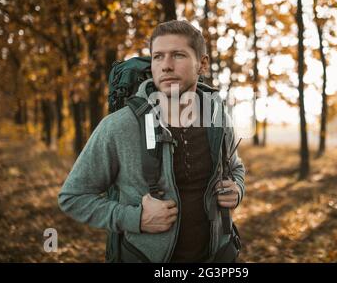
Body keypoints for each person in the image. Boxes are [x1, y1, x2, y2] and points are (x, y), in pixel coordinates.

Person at [58, 20, 246, 263]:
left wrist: (237, 188)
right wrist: (134, 219)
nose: (166, 66)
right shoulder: (118, 126)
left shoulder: (217, 116)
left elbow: (235, 167)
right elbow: (73, 197)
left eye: (178, 55)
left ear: (203, 64)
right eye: (158, 57)